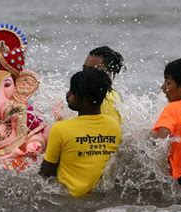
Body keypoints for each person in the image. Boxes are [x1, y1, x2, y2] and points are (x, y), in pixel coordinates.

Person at [40, 69, 122, 197]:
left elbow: (46, 172)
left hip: (67, 198)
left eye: (72, 92)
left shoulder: (60, 128)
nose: (67, 94)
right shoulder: (114, 126)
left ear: (86, 99)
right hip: (99, 196)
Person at [82, 46, 124, 124]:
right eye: (84, 69)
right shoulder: (101, 94)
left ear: (108, 73)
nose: (85, 74)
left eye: (92, 70)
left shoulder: (104, 101)